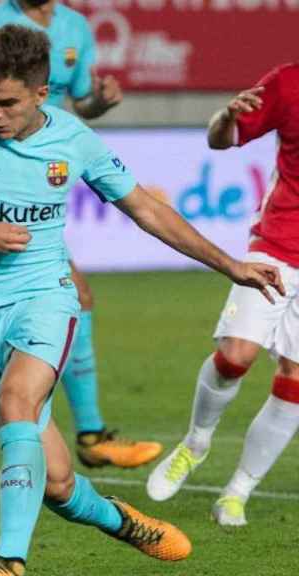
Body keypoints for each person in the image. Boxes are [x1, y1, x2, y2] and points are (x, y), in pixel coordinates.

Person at [0, 25, 282, 575]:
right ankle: (122, 521)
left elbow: (147, 210)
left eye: (7, 103)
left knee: (17, 404)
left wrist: (231, 264)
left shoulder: (74, 140)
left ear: (41, 93)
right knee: (54, 482)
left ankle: (5, 564)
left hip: (45, 295)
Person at [0, 0, 161, 471]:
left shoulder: (76, 28)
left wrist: (99, 101)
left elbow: (78, 104)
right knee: (44, 296)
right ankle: (91, 434)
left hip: (40, 173)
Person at [146, 63, 299, 527]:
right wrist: (225, 115)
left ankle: (237, 492)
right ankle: (195, 442)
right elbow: (221, 138)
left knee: (294, 379)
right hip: (275, 248)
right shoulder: (288, 83)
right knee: (235, 356)